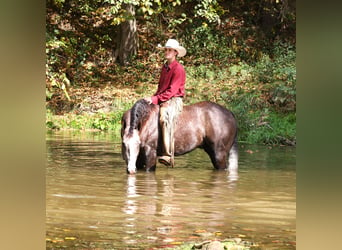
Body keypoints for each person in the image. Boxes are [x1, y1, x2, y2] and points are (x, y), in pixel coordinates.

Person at [144, 39, 186, 167]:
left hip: (174, 99)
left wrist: (156, 99)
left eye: (169, 50)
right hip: (163, 96)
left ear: (175, 52)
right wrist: (153, 98)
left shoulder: (178, 69)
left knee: (164, 118)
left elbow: (172, 91)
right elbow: (161, 88)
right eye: (166, 50)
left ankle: (167, 154)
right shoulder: (165, 67)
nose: (167, 52)